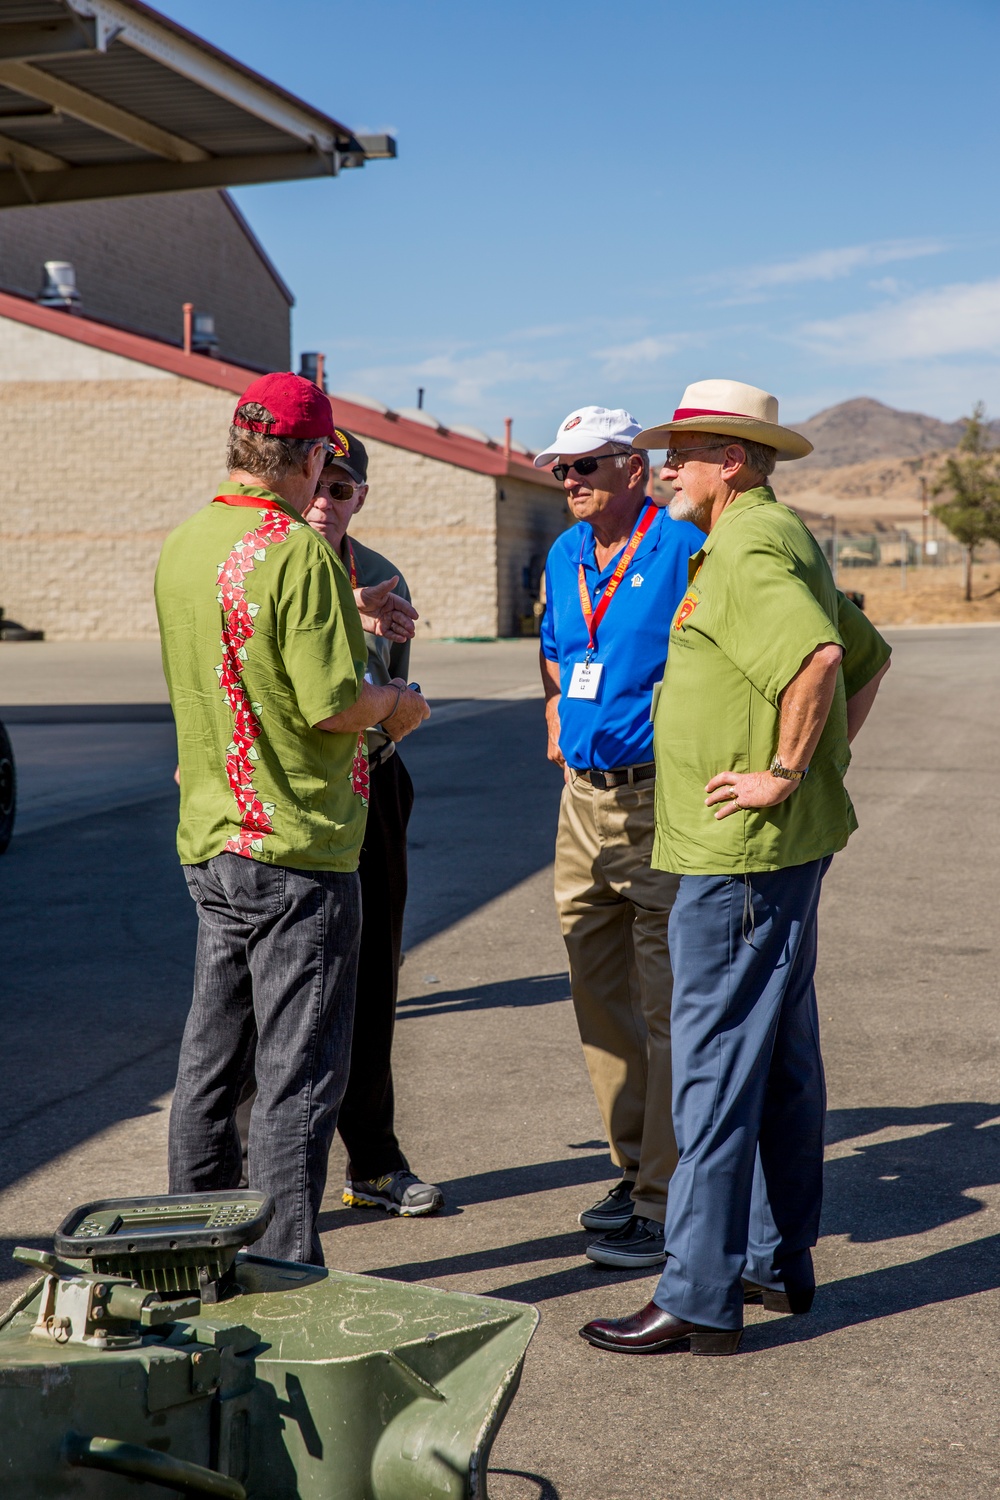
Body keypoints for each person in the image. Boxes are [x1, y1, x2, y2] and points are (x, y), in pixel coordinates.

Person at [579, 379, 891, 1355]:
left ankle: (696, 1294)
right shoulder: (775, 534)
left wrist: (785, 772)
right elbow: (868, 652)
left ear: (737, 462)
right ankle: (771, 1258)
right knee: (780, 1059)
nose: (667, 464)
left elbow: (821, 662)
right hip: (777, 852)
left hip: (739, 859)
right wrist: (813, 775)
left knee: (711, 1073)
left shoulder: (748, 544)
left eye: (688, 448)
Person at [155, 372, 429, 1265]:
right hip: (296, 847)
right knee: (297, 1078)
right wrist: (397, 703)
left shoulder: (189, 542)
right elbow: (330, 704)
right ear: (313, 455)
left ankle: (189, 1256)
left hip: (214, 839)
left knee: (211, 1067)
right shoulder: (295, 551)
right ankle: (283, 1272)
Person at [535, 406, 704, 1270]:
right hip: (582, 803)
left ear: (634, 468)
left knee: (665, 1004)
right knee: (597, 995)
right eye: (562, 470)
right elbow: (560, 648)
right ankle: (634, 1165)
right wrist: (559, 704)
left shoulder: (680, 544)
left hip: (656, 801)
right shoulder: (567, 554)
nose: (570, 482)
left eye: (587, 467)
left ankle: (664, 1199)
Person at [298, 428, 444, 1216]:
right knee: (278, 992)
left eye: (343, 489)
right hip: (292, 797)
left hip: (372, 785)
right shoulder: (269, 561)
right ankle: (269, 1182)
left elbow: (387, 684)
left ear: (361, 496)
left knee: (374, 978)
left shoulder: (380, 572)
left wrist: (398, 708)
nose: (326, 501)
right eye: (318, 482)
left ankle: (375, 1161)